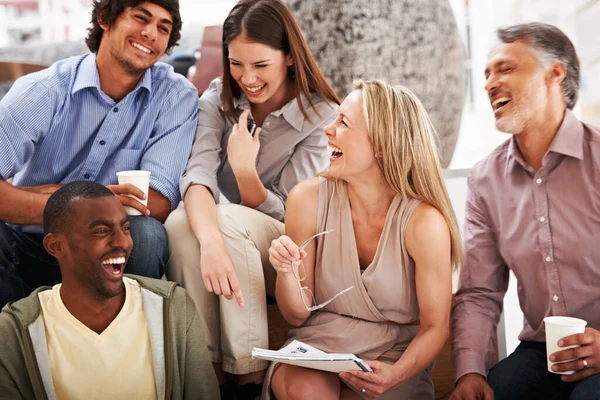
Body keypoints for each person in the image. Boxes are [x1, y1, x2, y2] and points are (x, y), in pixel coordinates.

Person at [164, 0, 340, 396]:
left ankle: (248, 376)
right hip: (232, 239)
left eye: (261, 65)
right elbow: (198, 176)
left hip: (293, 246)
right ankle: (207, 375)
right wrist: (210, 244)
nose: (247, 78)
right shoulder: (218, 98)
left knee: (227, 221)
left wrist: (246, 174)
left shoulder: (322, 116)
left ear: (290, 57)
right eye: (236, 63)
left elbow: (296, 211)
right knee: (179, 224)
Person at [266, 79, 462, 399]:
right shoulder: (307, 199)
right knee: (305, 389)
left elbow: (435, 327)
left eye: (343, 122)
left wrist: (397, 374)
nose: (327, 130)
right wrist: (286, 271)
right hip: (319, 345)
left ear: (382, 144)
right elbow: (296, 313)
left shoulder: (424, 223)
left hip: (395, 357)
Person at [0, 0, 199, 308]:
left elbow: (157, 202)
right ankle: (13, 345)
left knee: (147, 235)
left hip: (109, 248)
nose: (151, 34)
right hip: (29, 245)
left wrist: (57, 197)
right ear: (105, 18)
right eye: (140, 18)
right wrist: (71, 204)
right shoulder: (43, 90)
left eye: (163, 27)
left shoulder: (175, 97)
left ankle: (123, 347)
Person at [450, 23, 600, 400]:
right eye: (486, 74)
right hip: (542, 352)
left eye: (505, 68)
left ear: (555, 73)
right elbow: (479, 292)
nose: (488, 83)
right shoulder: (485, 179)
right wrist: (469, 372)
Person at [0, 181, 219, 399]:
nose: (123, 242)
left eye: (125, 228)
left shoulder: (173, 308)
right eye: (102, 231)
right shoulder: (15, 330)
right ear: (56, 246)